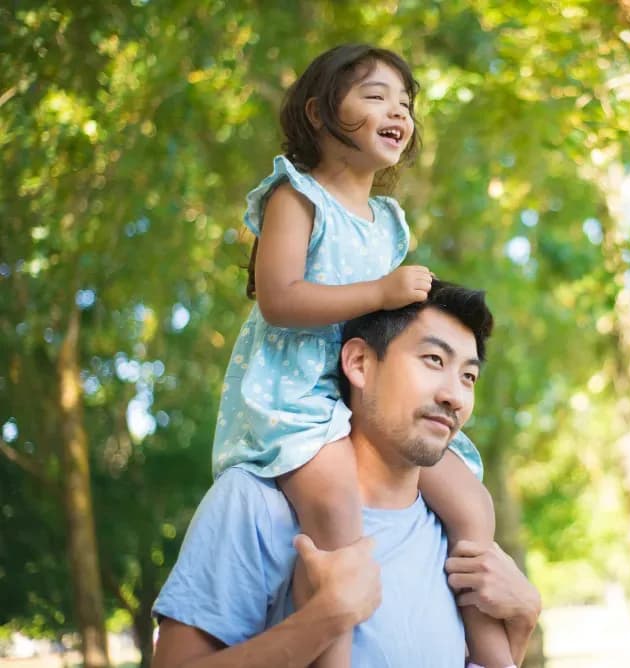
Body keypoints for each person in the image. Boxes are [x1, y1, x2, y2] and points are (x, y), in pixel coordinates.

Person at [209, 45, 510, 666]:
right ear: (319, 113)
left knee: (473, 504)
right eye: (375, 96)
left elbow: (388, 331)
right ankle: (334, 656)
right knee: (339, 511)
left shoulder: (387, 221)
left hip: (365, 396)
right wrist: (379, 290)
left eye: (405, 103)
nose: (397, 111)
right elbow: (279, 299)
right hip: (298, 396)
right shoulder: (295, 197)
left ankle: (495, 655)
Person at [152, 280, 541, 667]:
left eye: (468, 377)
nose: (453, 395)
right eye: (433, 360)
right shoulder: (254, 504)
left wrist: (522, 622)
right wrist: (323, 620)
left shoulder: (456, 537)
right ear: (359, 364)